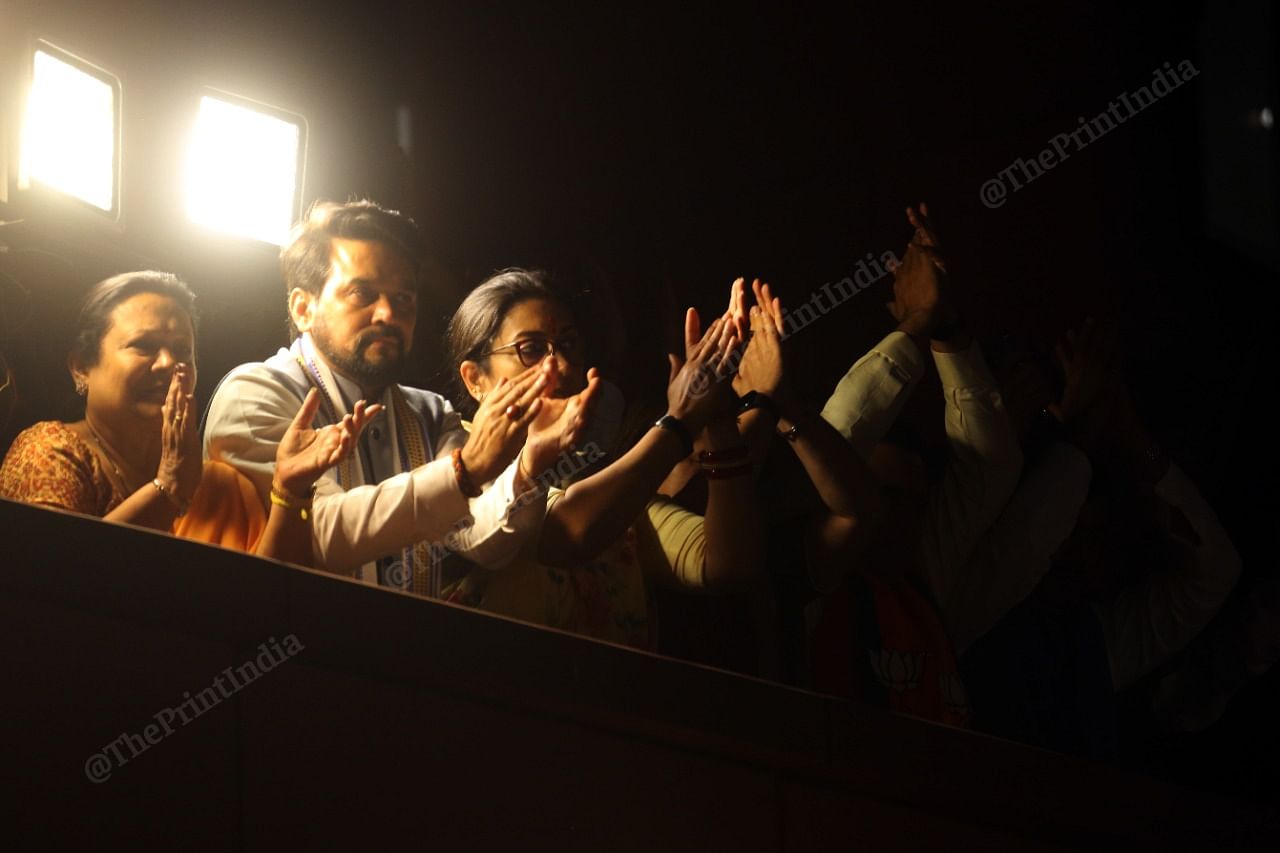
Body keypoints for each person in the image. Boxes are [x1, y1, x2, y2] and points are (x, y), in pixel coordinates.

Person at [203, 201, 593, 593]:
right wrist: (464, 470)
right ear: (303, 308)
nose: (388, 313)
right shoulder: (253, 395)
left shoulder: (429, 413)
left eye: (404, 298)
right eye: (362, 293)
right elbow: (314, 534)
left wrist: (530, 465)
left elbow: (478, 539)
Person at [443, 268, 763, 649]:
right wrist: (679, 423)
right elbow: (566, 532)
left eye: (569, 345)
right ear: (474, 378)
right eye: (530, 349)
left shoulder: (604, 479)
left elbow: (726, 564)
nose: (558, 367)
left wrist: (717, 420)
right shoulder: (452, 460)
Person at [0, 271, 370, 564]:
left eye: (182, 351)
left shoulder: (221, 486)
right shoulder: (49, 451)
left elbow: (265, 603)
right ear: (81, 367)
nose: (168, 364)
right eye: (142, 346)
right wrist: (169, 490)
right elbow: (47, 574)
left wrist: (290, 492)